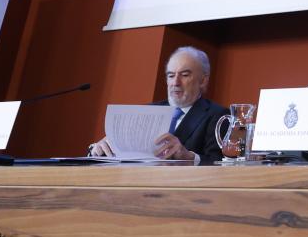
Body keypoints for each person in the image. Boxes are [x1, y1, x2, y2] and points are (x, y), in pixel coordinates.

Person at [88, 46, 228, 162]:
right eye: (171, 75)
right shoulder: (146, 111)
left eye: (185, 75)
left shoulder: (219, 116)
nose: (175, 83)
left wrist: (189, 157)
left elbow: (221, 164)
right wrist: (99, 149)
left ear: (203, 80)